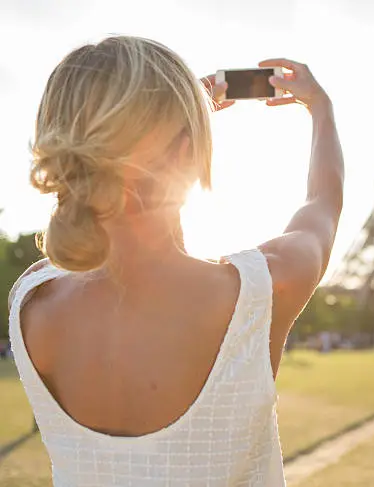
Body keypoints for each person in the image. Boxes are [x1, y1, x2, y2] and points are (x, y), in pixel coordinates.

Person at [8, 37, 343, 487]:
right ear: (187, 153)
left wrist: (186, 112)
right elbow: (322, 203)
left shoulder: (31, 300)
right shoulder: (261, 291)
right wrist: (320, 109)